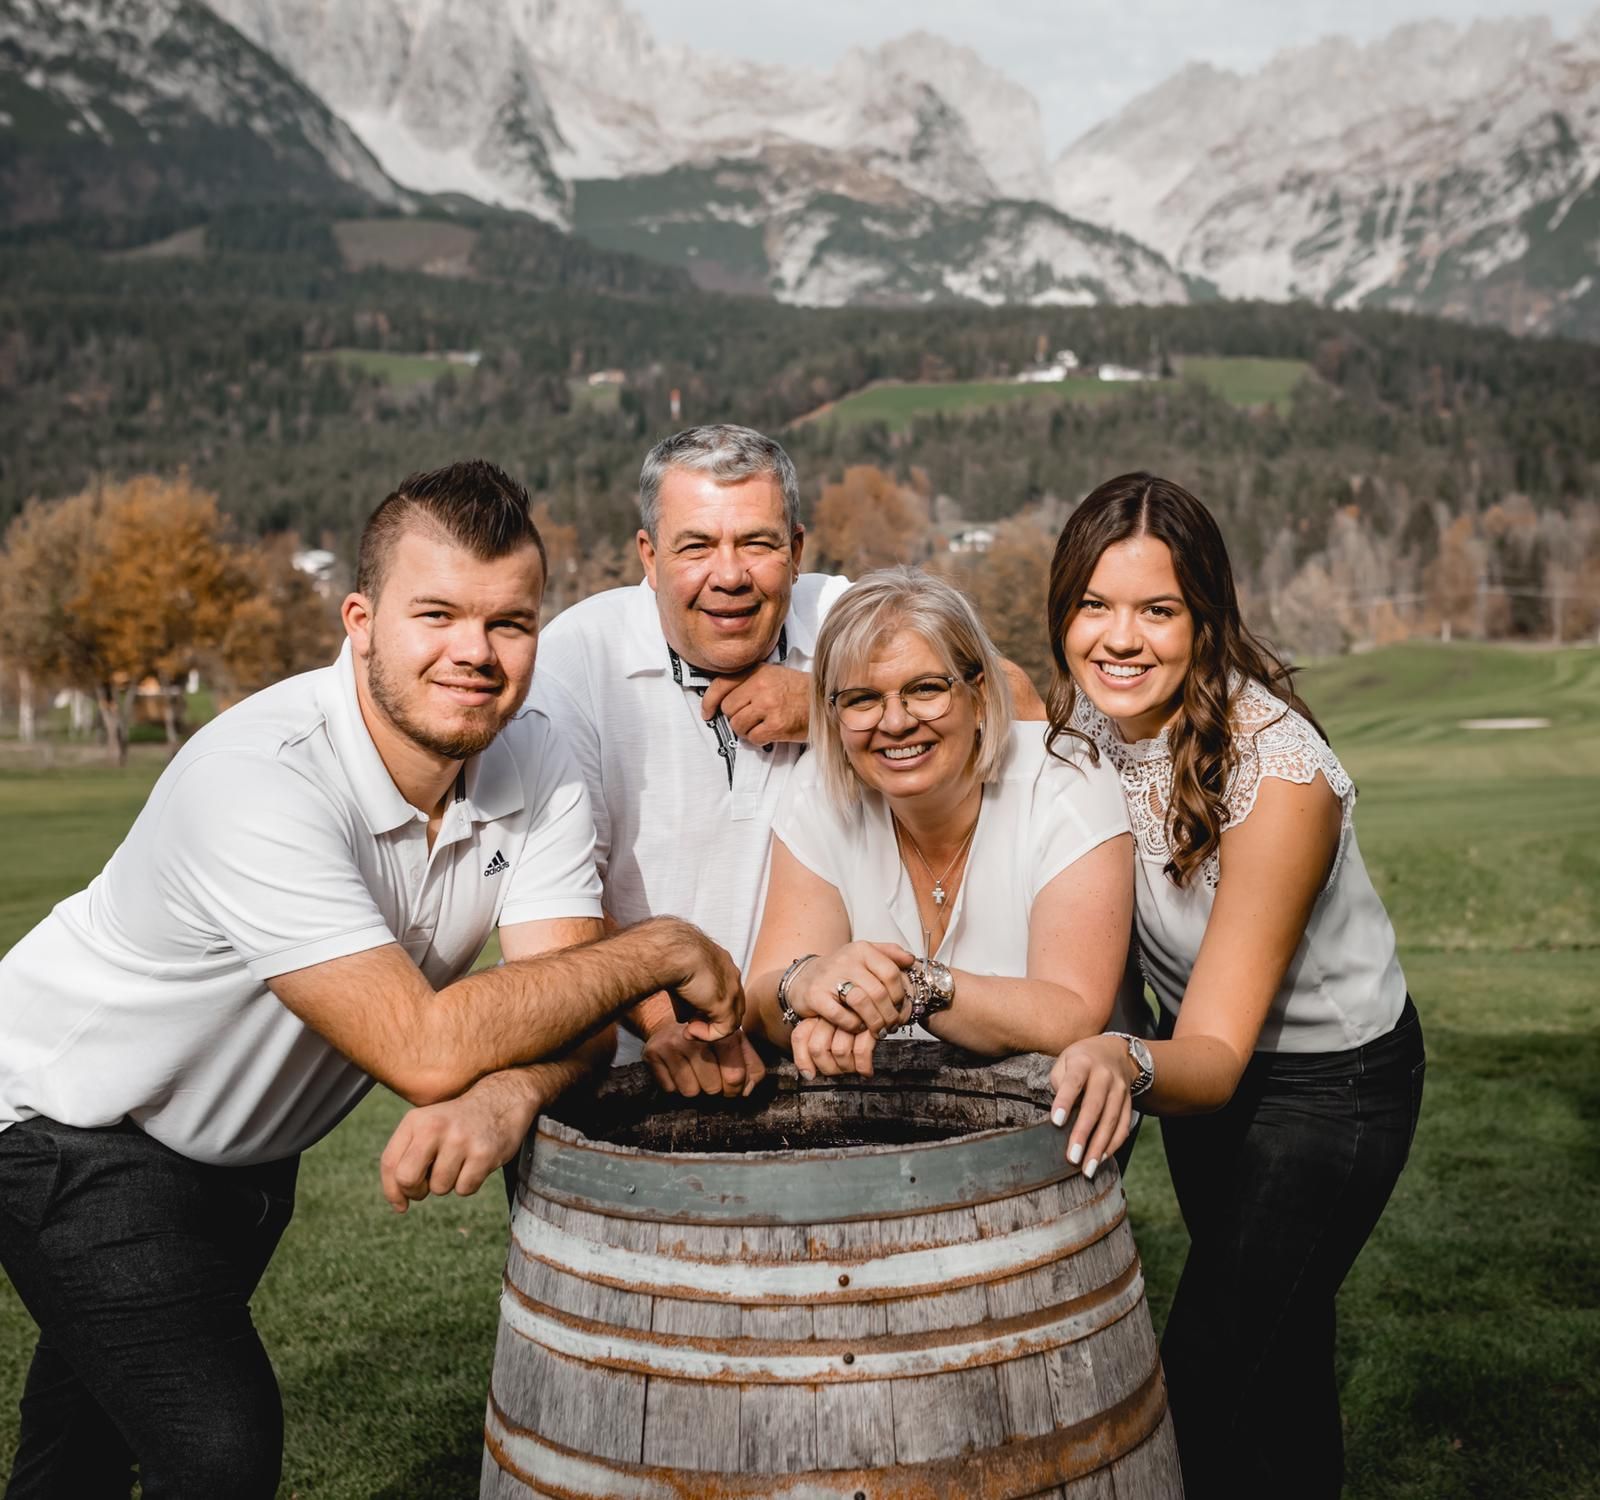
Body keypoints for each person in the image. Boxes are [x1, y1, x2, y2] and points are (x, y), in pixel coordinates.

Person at [0, 461, 741, 1499]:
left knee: (77, 1455)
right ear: (360, 621)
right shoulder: (258, 776)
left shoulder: (540, 758)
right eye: (436, 614)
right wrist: (659, 949)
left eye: (509, 623)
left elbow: (568, 1010)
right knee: (216, 1447)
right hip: (71, 1125)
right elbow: (424, 1048)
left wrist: (509, 1094)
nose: (475, 652)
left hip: (244, 1155)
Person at [1041, 472, 1425, 1498]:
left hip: (1330, 1088)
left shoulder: (1278, 775)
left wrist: (1119, 1057)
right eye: (1094, 605)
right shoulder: (1084, 723)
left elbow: (1211, 1058)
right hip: (1187, 1068)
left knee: (1199, 1389)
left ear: (1206, 619)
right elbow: (957, 685)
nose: (1120, 639)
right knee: (1279, 1359)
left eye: (1158, 610)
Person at [532, 426, 1047, 1102]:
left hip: (832, 1058)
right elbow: (563, 895)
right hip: (648, 1063)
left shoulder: (842, 618)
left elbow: (1017, 700)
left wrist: (825, 703)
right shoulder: (574, 660)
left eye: (757, 543)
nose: (729, 575)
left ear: (797, 551)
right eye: (696, 546)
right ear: (649, 557)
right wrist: (666, 1023)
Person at [745, 568, 1138, 1139]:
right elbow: (762, 997)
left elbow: (1072, 1011)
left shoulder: (1066, 780)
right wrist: (807, 986)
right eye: (862, 699)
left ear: (980, 696)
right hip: (888, 1122)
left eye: (926, 689)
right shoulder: (818, 788)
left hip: (1051, 1126)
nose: (896, 722)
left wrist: (910, 990)